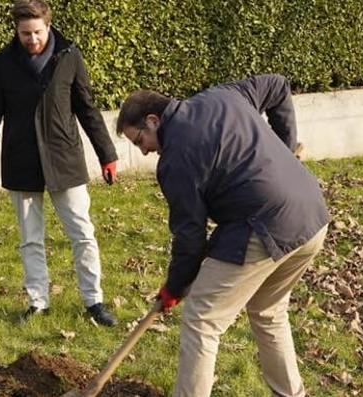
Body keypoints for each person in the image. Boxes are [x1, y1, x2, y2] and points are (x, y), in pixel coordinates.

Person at [116, 74, 330, 396]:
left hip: (266, 226)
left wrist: (174, 287)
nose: (144, 151)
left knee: (203, 319)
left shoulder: (175, 160)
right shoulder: (223, 96)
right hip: (312, 216)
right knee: (268, 310)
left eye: (139, 141)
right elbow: (278, 86)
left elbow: (190, 235)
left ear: (153, 120)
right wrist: (286, 149)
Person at [0, 0, 119, 327]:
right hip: (21, 161)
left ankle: (94, 301)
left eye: (37, 32)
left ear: (48, 26)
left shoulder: (70, 56)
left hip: (65, 160)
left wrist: (107, 154)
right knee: (30, 238)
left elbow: (87, 109)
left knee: (83, 233)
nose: (32, 39)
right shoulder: (1, 65)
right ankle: (38, 302)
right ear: (16, 30)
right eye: (25, 33)